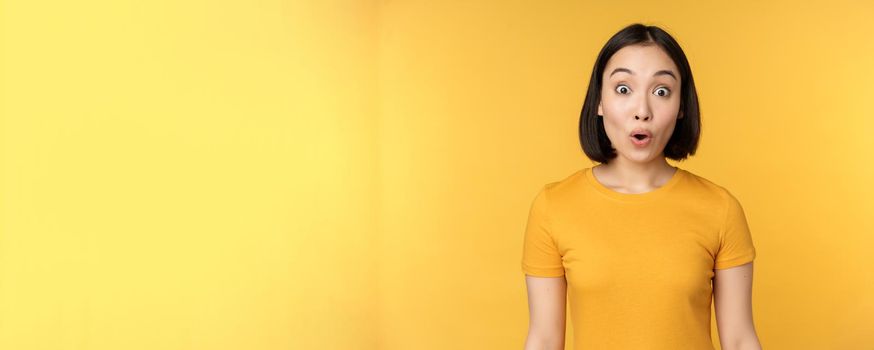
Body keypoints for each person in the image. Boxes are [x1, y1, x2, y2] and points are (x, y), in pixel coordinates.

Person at [521, 23, 762, 350]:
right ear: (599, 102)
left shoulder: (720, 208)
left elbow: (738, 340)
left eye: (661, 91)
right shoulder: (554, 206)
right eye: (623, 89)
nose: (642, 111)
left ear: (680, 109)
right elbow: (545, 340)